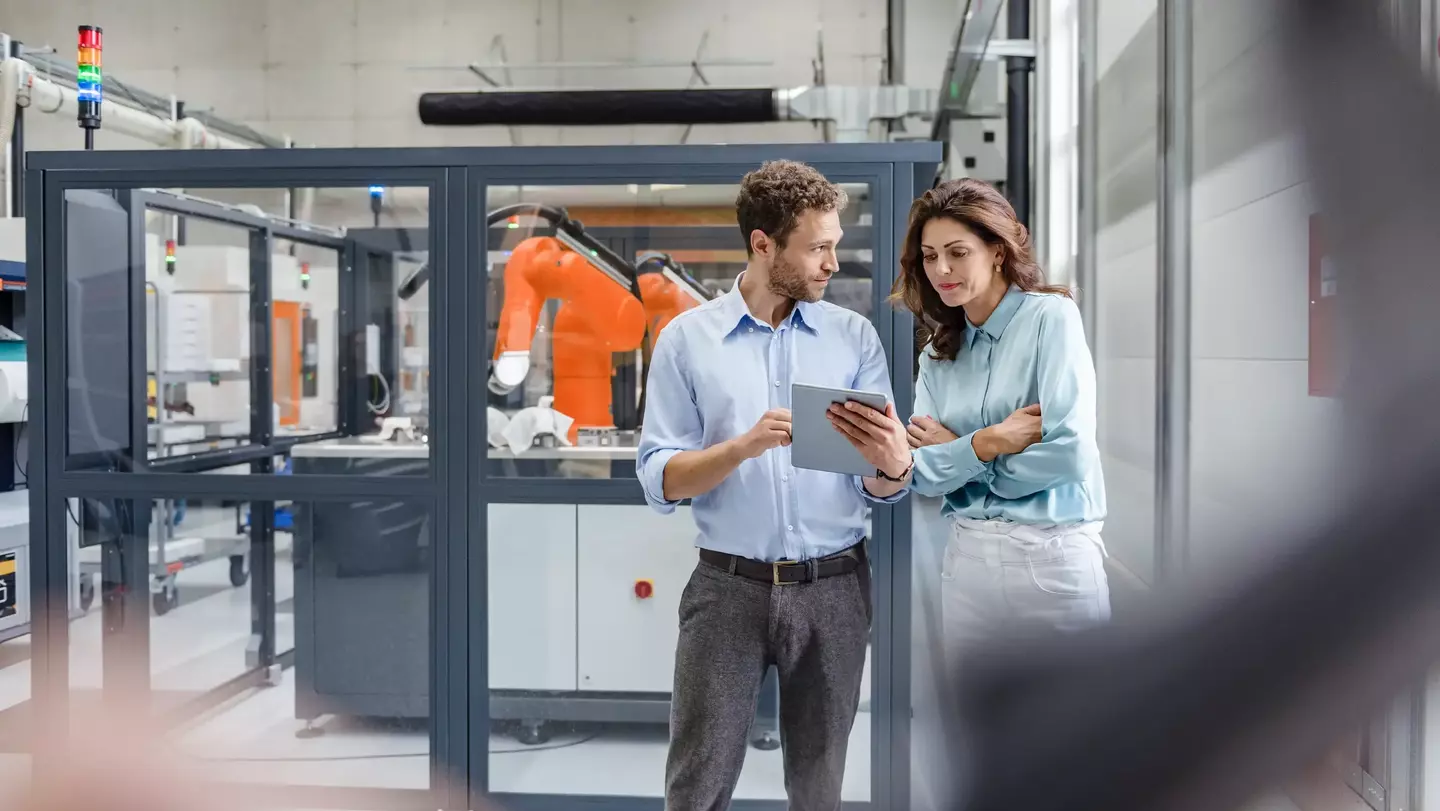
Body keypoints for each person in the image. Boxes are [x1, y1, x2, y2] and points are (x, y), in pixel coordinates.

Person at [637, 160, 913, 811]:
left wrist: (895, 465)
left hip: (836, 587)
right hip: (726, 589)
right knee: (698, 781)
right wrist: (742, 446)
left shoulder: (854, 337)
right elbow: (659, 478)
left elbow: (881, 486)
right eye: (817, 247)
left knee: (819, 786)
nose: (832, 263)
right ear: (763, 244)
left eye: (834, 245)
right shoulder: (688, 341)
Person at [886, 177, 1109, 658]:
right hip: (966, 565)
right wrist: (989, 441)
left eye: (957, 252)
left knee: (1078, 730)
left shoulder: (1052, 319)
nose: (941, 269)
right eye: (928, 256)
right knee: (978, 733)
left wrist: (959, 454)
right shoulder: (938, 355)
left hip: (1052, 564)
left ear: (998, 252)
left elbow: (1070, 456)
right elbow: (917, 474)